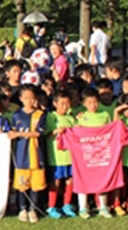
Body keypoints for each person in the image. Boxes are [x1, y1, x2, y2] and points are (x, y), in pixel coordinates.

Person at [8, 85, 46, 224]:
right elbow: (11, 132)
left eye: (32, 98)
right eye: (26, 98)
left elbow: (38, 133)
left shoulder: (40, 114)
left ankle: (33, 209)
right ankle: (22, 209)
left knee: (36, 185)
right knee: (22, 185)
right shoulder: (16, 115)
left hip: (36, 155)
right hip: (21, 155)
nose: (29, 101)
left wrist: (19, 134)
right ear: (21, 99)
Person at [76, 87, 112, 219]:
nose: (93, 105)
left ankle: (103, 206)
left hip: (102, 154)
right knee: (83, 179)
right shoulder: (82, 117)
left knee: (102, 179)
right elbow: (76, 134)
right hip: (85, 155)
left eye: (95, 102)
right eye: (89, 103)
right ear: (84, 103)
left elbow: (111, 132)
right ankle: (83, 208)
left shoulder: (105, 115)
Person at [44, 90, 77, 219]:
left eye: (67, 104)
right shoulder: (50, 117)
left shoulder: (71, 118)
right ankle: (51, 206)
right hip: (56, 157)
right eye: (62, 104)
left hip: (70, 156)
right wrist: (55, 131)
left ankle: (67, 205)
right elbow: (45, 134)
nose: (65, 106)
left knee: (70, 180)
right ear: (55, 103)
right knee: (56, 182)